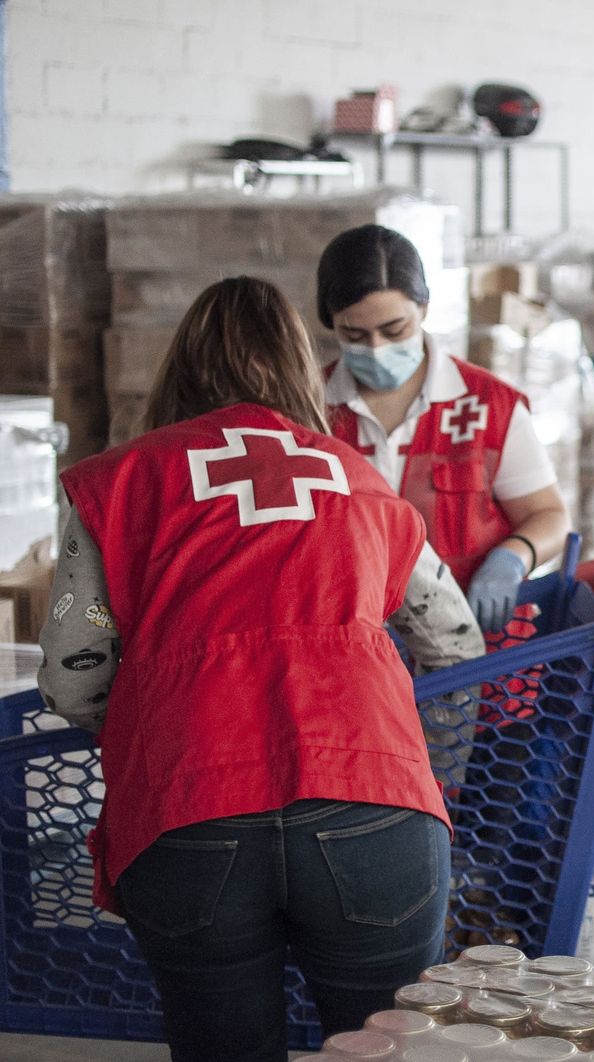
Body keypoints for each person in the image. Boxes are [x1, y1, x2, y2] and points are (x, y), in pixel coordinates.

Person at [36, 277, 485, 1060]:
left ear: (179, 366)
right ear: (300, 366)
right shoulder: (359, 482)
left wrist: (147, 693)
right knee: (383, 1048)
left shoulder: (119, 484)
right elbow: (453, 639)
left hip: (189, 807)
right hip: (374, 803)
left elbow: (80, 657)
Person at [317, 225, 571, 634]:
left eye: (394, 329)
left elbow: (549, 516)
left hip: (476, 645)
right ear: (331, 323)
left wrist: (513, 557)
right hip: (356, 648)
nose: (378, 348)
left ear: (424, 309)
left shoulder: (488, 407)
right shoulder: (310, 412)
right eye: (355, 334)